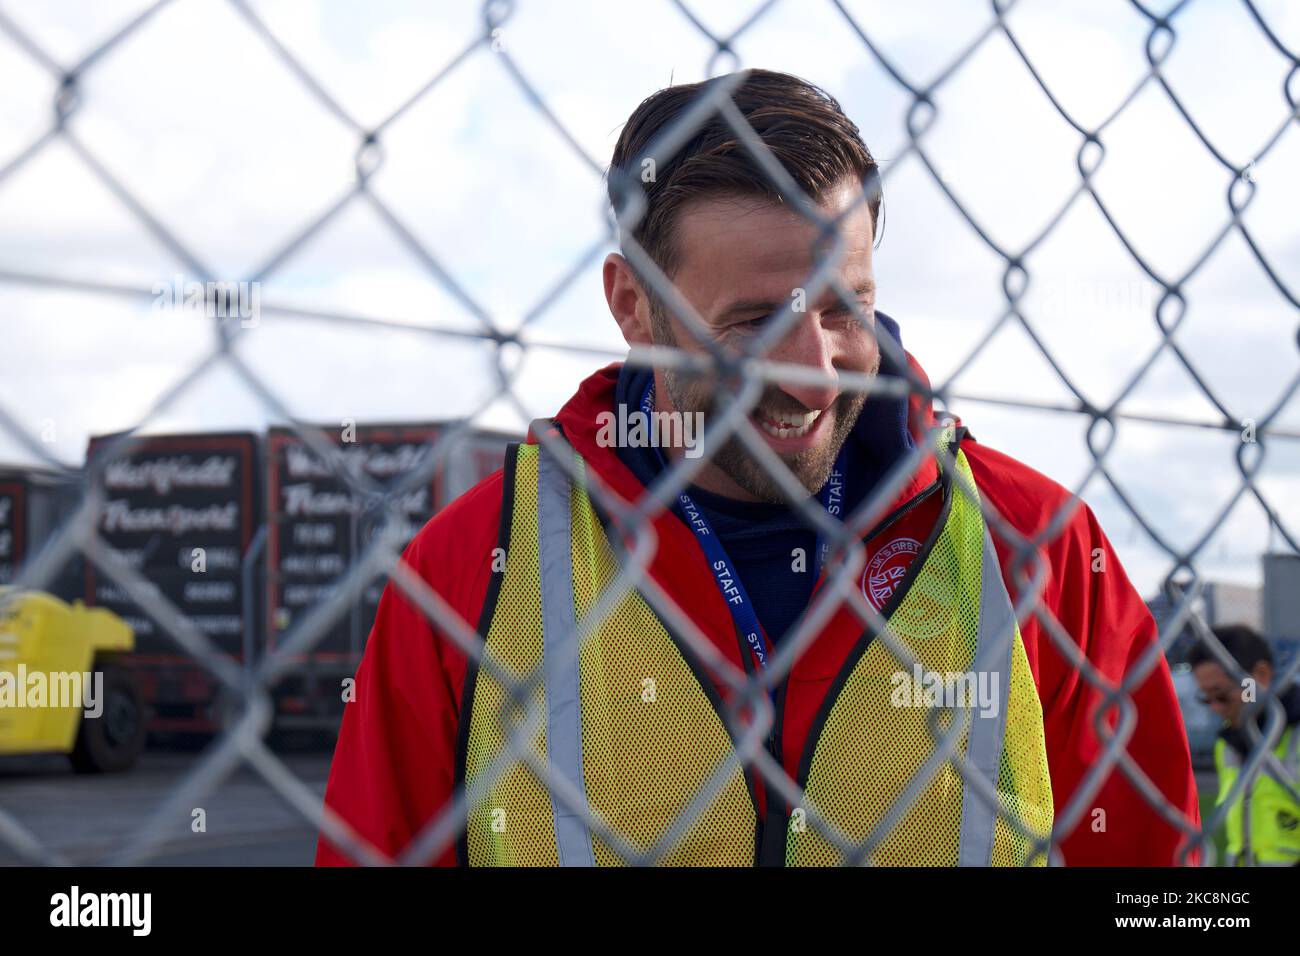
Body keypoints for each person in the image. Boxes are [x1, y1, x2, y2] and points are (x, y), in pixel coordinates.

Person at [316, 69, 1198, 867]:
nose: (813, 368)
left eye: (845, 309)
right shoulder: (466, 576)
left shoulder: (1036, 548)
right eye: (752, 321)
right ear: (634, 305)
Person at [1191, 625, 1300, 866]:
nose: (1215, 708)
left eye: (1221, 695)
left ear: (1259, 676)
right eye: (1205, 698)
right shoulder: (1228, 744)